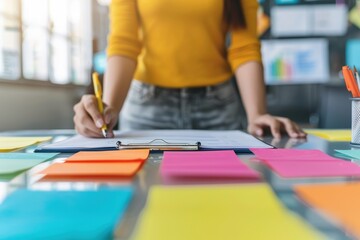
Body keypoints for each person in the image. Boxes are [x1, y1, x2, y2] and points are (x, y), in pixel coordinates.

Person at [73, 0, 306, 139]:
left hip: (217, 106)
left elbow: (244, 48)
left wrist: (257, 114)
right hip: (147, 106)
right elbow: (125, 44)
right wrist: (108, 110)